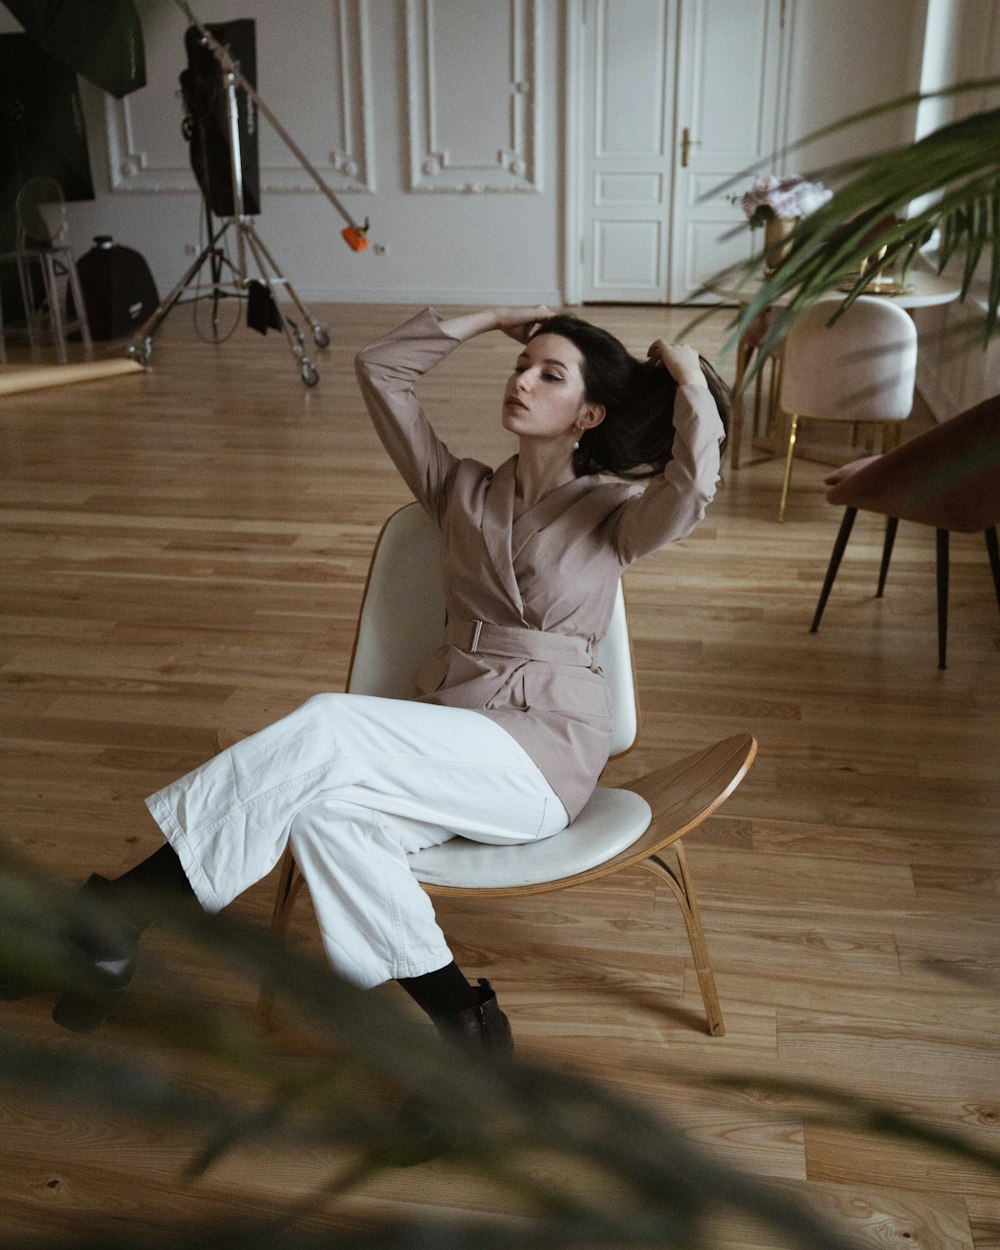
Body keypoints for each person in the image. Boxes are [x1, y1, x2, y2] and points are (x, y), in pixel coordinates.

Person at [2, 305, 728, 1057]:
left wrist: (682, 372)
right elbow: (380, 371)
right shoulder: (461, 491)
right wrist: (488, 321)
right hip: (450, 741)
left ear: (590, 413)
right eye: (521, 366)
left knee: (329, 723)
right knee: (330, 821)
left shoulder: (617, 514)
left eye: (551, 374)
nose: (523, 381)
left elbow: (693, 486)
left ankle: (114, 919)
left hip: (541, 756)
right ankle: (471, 1031)